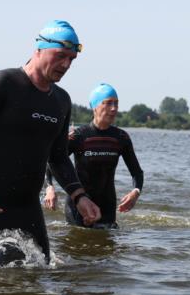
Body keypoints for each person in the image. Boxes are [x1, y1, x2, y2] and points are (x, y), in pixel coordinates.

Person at [0, 20, 101, 264]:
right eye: (60, 56)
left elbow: (59, 156)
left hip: (28, 208)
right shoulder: (3, 84)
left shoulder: (61, 101)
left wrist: (79, 196)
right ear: (39, 49)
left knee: (38, 276)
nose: (66, 65)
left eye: (72, 59)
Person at [44, 83, 144, 228]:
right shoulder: (78, 136)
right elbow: (53, 161)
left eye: (116, 103)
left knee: (107, 247)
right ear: (95, 106)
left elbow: (137, 172)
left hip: (107, 208)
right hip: (78, 207)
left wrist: (135, 192)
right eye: (108, 103)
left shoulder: (121, 138)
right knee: (78, 246)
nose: (114, 108)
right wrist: (50, 188)